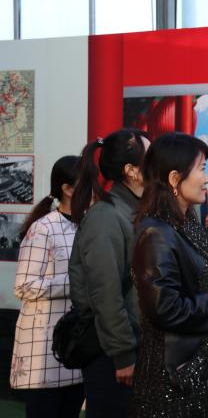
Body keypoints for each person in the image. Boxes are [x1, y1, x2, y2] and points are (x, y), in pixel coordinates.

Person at [130, 132, 208, 417]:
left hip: (205, 373)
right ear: (175, 179)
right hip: (177, 382)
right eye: (202, 169)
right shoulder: (156, 233)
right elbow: (166, 308)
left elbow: (198, 285)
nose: (207, 179)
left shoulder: (185, 223)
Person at [69, 129, 150, 417]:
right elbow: (105, 293)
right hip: (114, 354)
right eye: (150, 156)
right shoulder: (106, 216)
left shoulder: (133, 211)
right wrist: (123, 354)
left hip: (135, 344)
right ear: (131, 171)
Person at [10, 155, 84, 417]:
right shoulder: (43, 228)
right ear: (68, 189)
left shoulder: (87, 224)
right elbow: (24, 286)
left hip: (75, 347)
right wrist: (77, 283)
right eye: (87, 183)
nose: (95, 190)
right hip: (43, 349)